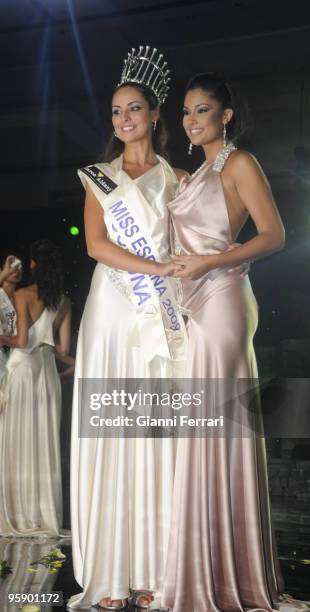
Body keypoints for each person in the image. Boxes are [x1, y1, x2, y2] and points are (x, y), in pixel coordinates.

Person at [162, 73, 310, 612]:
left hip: (226, 299)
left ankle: (231, 572)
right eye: (186, 111)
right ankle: (202, 561)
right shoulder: (192, 174)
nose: (191, 119)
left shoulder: (238, 164)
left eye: (203, 110)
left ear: (226, 115)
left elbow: (273, 234)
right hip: (190, 302)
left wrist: (209, 261)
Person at [68, 46, 189, 611]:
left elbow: (192, 247)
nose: (124, 119)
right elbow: (96, 246)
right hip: (114, 313)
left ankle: (152, 571)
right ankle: (112, 573)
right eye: (116, 111)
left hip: (159, 314)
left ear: (155, 114)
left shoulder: (179, 178)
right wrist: (157, 268)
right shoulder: (99, 179)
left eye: (134, 108)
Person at [0, 239, 71, 537]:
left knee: (18, 440)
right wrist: (72, 366)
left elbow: (19, 341)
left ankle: (19, 514)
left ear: (34, 264)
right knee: (44, 441)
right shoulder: (65, 301)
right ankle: (43, 513)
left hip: (24, 369)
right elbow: (64, 350)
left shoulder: (23, 294)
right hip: (47, 374)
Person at [0, 254, 22, 379]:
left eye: (19, 267)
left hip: (15, 361)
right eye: (11, 267)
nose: (15, 270)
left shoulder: (23, 299)